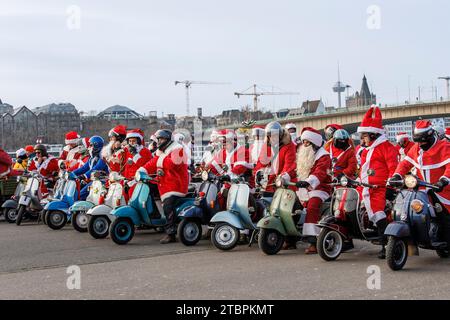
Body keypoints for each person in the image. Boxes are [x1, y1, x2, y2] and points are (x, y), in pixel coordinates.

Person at [389, 120, 450, 246]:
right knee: (408, 205)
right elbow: (405, 163)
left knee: (443, 216)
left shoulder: (444, 146)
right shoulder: (416, 148)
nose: (420, 144)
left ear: (430, 136)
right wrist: (396, 175)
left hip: (441, 190)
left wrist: (444, 180)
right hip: (422, 188)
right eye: (418, 141)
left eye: (423, 141)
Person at [357, 106, 399, 259]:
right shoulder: (367, 149)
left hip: (380, 189)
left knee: (380, 217)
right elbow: (362, 169)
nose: (363, 139)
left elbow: (393, 168)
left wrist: (390, 186)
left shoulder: (386, 147)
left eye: (365, 136)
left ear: (374, 135)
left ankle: (387, 246)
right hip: (366, 189)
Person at [139, 129, 189, 244]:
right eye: (158, 139)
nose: (159, 141)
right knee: (149, 191)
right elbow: (152, 163)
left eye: (161, 139)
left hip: (176, 185)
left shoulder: (178, 150)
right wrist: (142, 170)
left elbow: (172, 164)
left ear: (167, 140)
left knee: (168, 205)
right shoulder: (162, 152)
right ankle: (156, 217)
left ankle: (170, 233)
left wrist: (160, 158)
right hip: (164, 184)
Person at [293, 127, 332, 253]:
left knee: (312, 206)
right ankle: (290, 238)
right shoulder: (303, 155)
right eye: (303, 142)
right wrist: (285, 176)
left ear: (314, 143)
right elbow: (295, 170)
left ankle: (313, 241)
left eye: (307, 142)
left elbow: (320, 173)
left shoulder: (324, 157)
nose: (304, 145)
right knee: (290, 203)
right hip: (304, 188)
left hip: (321, 188)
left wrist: (308, 181)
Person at [254, 121, 297, 194]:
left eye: (275, 135)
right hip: (270, 182)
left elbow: (289, 165)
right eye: (270, 135)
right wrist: (259, 174)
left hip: (285, 182)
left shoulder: (289, 145)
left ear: (280, 135)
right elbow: (260, 163)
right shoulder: (267, 146)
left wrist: (282, 178)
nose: (272, 138)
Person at [70, 136, 108, 200]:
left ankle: (83, 208)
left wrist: (84, 176)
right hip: (95, 181)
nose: (88, 147)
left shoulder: (102, 157)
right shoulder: (92, 158)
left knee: (81, 194)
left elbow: (96, 168)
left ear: (96, 146)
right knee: (77, 192)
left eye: (91, 145)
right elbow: (84, 168)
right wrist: (71, 173)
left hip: (102, 182)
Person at [123, 129, 152, 198]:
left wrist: (135, 154)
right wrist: (125, 179)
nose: (131, 143)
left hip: (140, 180)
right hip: (129, 180)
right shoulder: (128, 151)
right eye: (130, 141)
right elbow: (127, 167)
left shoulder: (145, 151)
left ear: (138, 141)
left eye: (133, 141)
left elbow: (142, 164)